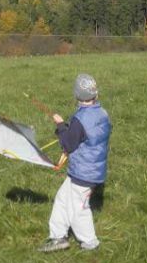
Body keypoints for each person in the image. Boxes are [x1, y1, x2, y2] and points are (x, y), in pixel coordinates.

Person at [39, 74, 112, 252]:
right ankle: (58, 237)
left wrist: (60, 125)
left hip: (84, 173)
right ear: (96, 93)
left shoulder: (80, 119)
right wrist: (69, 129)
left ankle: (90, 243)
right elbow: (88, 136)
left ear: (76, 95)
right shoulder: (102, 113)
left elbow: (68, 144)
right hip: (91, 170)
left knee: (78, 209)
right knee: (62, 198)